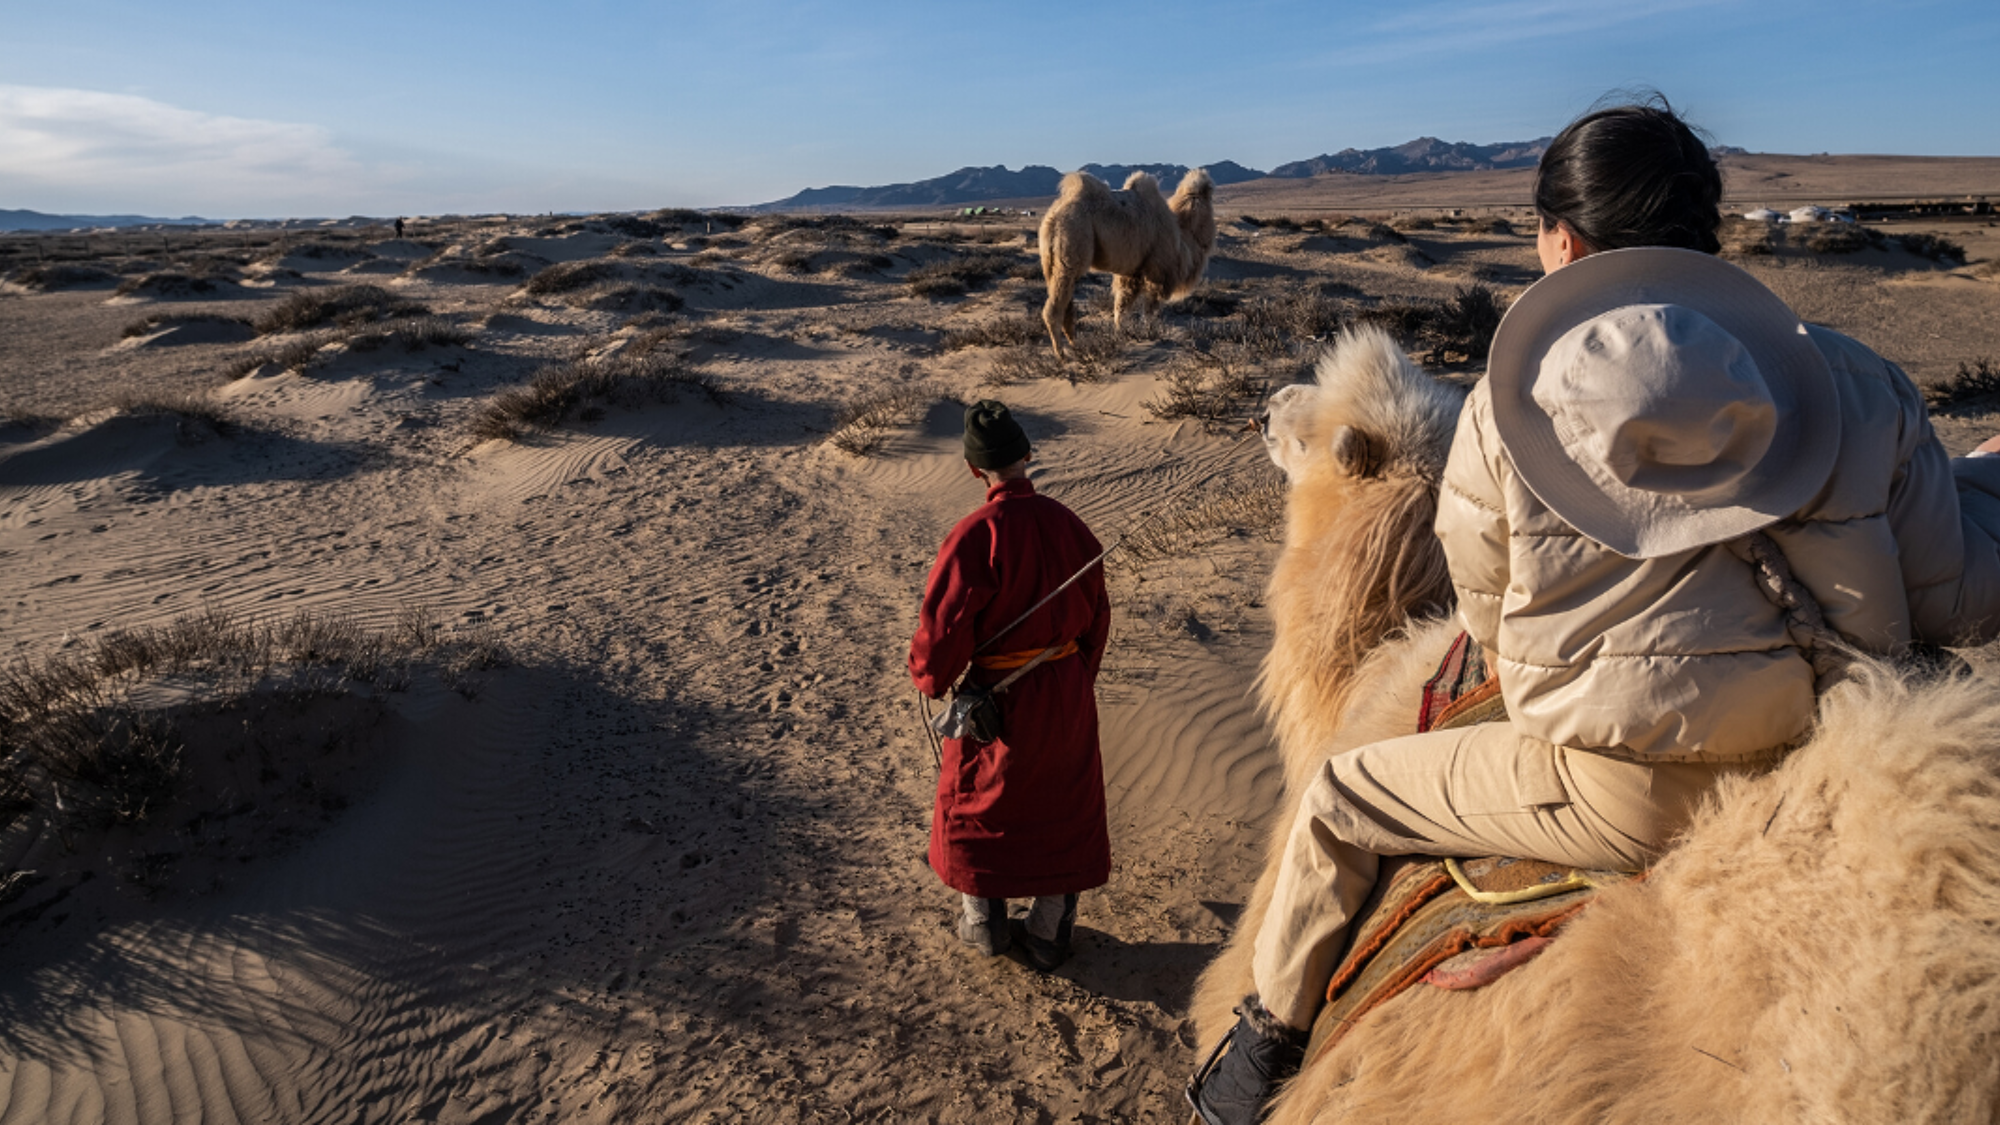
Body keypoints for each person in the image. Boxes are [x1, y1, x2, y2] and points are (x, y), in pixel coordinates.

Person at [1187, 99, 2000, 1124]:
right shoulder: (1859, 381)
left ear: (1560, 240)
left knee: (1341, 797)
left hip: (1611, 793)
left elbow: (1487, 617)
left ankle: (1258, 1050)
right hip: (1828, 760)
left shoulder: (1500, 410)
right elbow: (1952, 593)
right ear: (1707, 233)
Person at [909, 400, 1113, 972]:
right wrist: (1073, 681)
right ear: (1027, 455)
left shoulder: (974, 536)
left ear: (976, 470)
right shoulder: (1072, 525)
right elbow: (1098, 616)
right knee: (1060, 802)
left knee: (979, 801)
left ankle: (984, 923)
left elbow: (942, 631)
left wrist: (931, 676)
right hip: (1066, 686)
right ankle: (1049, 930)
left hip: (998, 696)